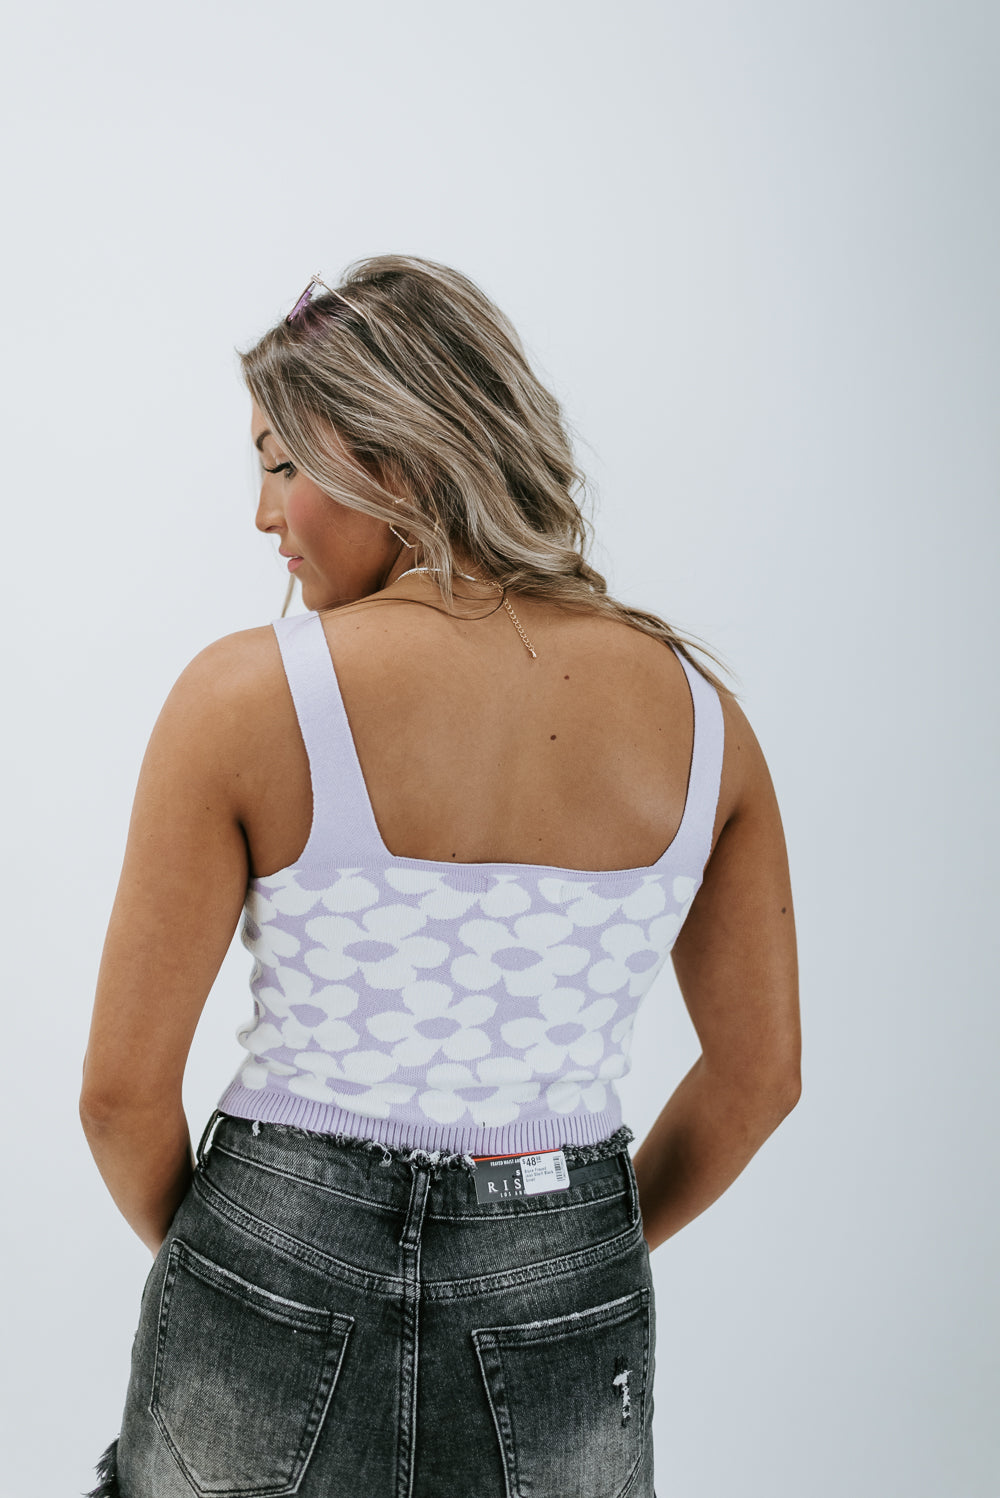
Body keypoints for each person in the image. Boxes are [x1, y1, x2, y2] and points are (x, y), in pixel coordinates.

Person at [80, 255, 800, 1498]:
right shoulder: (702, 720)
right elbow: (761, 1076)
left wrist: (245, 1269)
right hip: (563, 1250)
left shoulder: (245, 695)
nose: (262, 517)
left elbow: (117, 1097)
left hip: (270, 1238)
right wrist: (563, 1251)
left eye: (281, 465)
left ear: (398, 462)